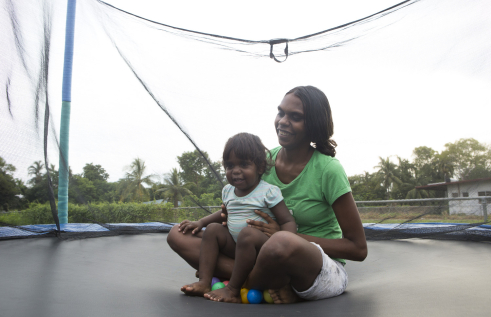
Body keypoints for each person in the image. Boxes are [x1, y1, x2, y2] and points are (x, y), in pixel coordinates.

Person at [167, 85, 367, 304]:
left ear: (314, 125)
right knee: (177, 234)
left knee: (282, 242)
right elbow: (241, 202)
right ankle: (257, 281)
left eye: (295, 117)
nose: (282, 121)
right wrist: (228, 218)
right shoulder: (263, 161)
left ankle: (238, 282)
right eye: (280, 112)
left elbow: (358, 248)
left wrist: (285, 235)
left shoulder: (328, 170)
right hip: (255, 252)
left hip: (318, 269)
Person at [178, 133, 297, 303]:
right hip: (237, 247)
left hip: (261, 250)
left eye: (244, 164)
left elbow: (287, 221)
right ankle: (204, 282)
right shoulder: (228, 190)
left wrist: (286, 245)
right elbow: (224, 213)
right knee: (212, 230)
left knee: (247, 234)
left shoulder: (268, 191)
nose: (235, 171)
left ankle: (233, 289)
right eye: (229, 165)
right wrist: (201, 222)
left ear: (260, 168)